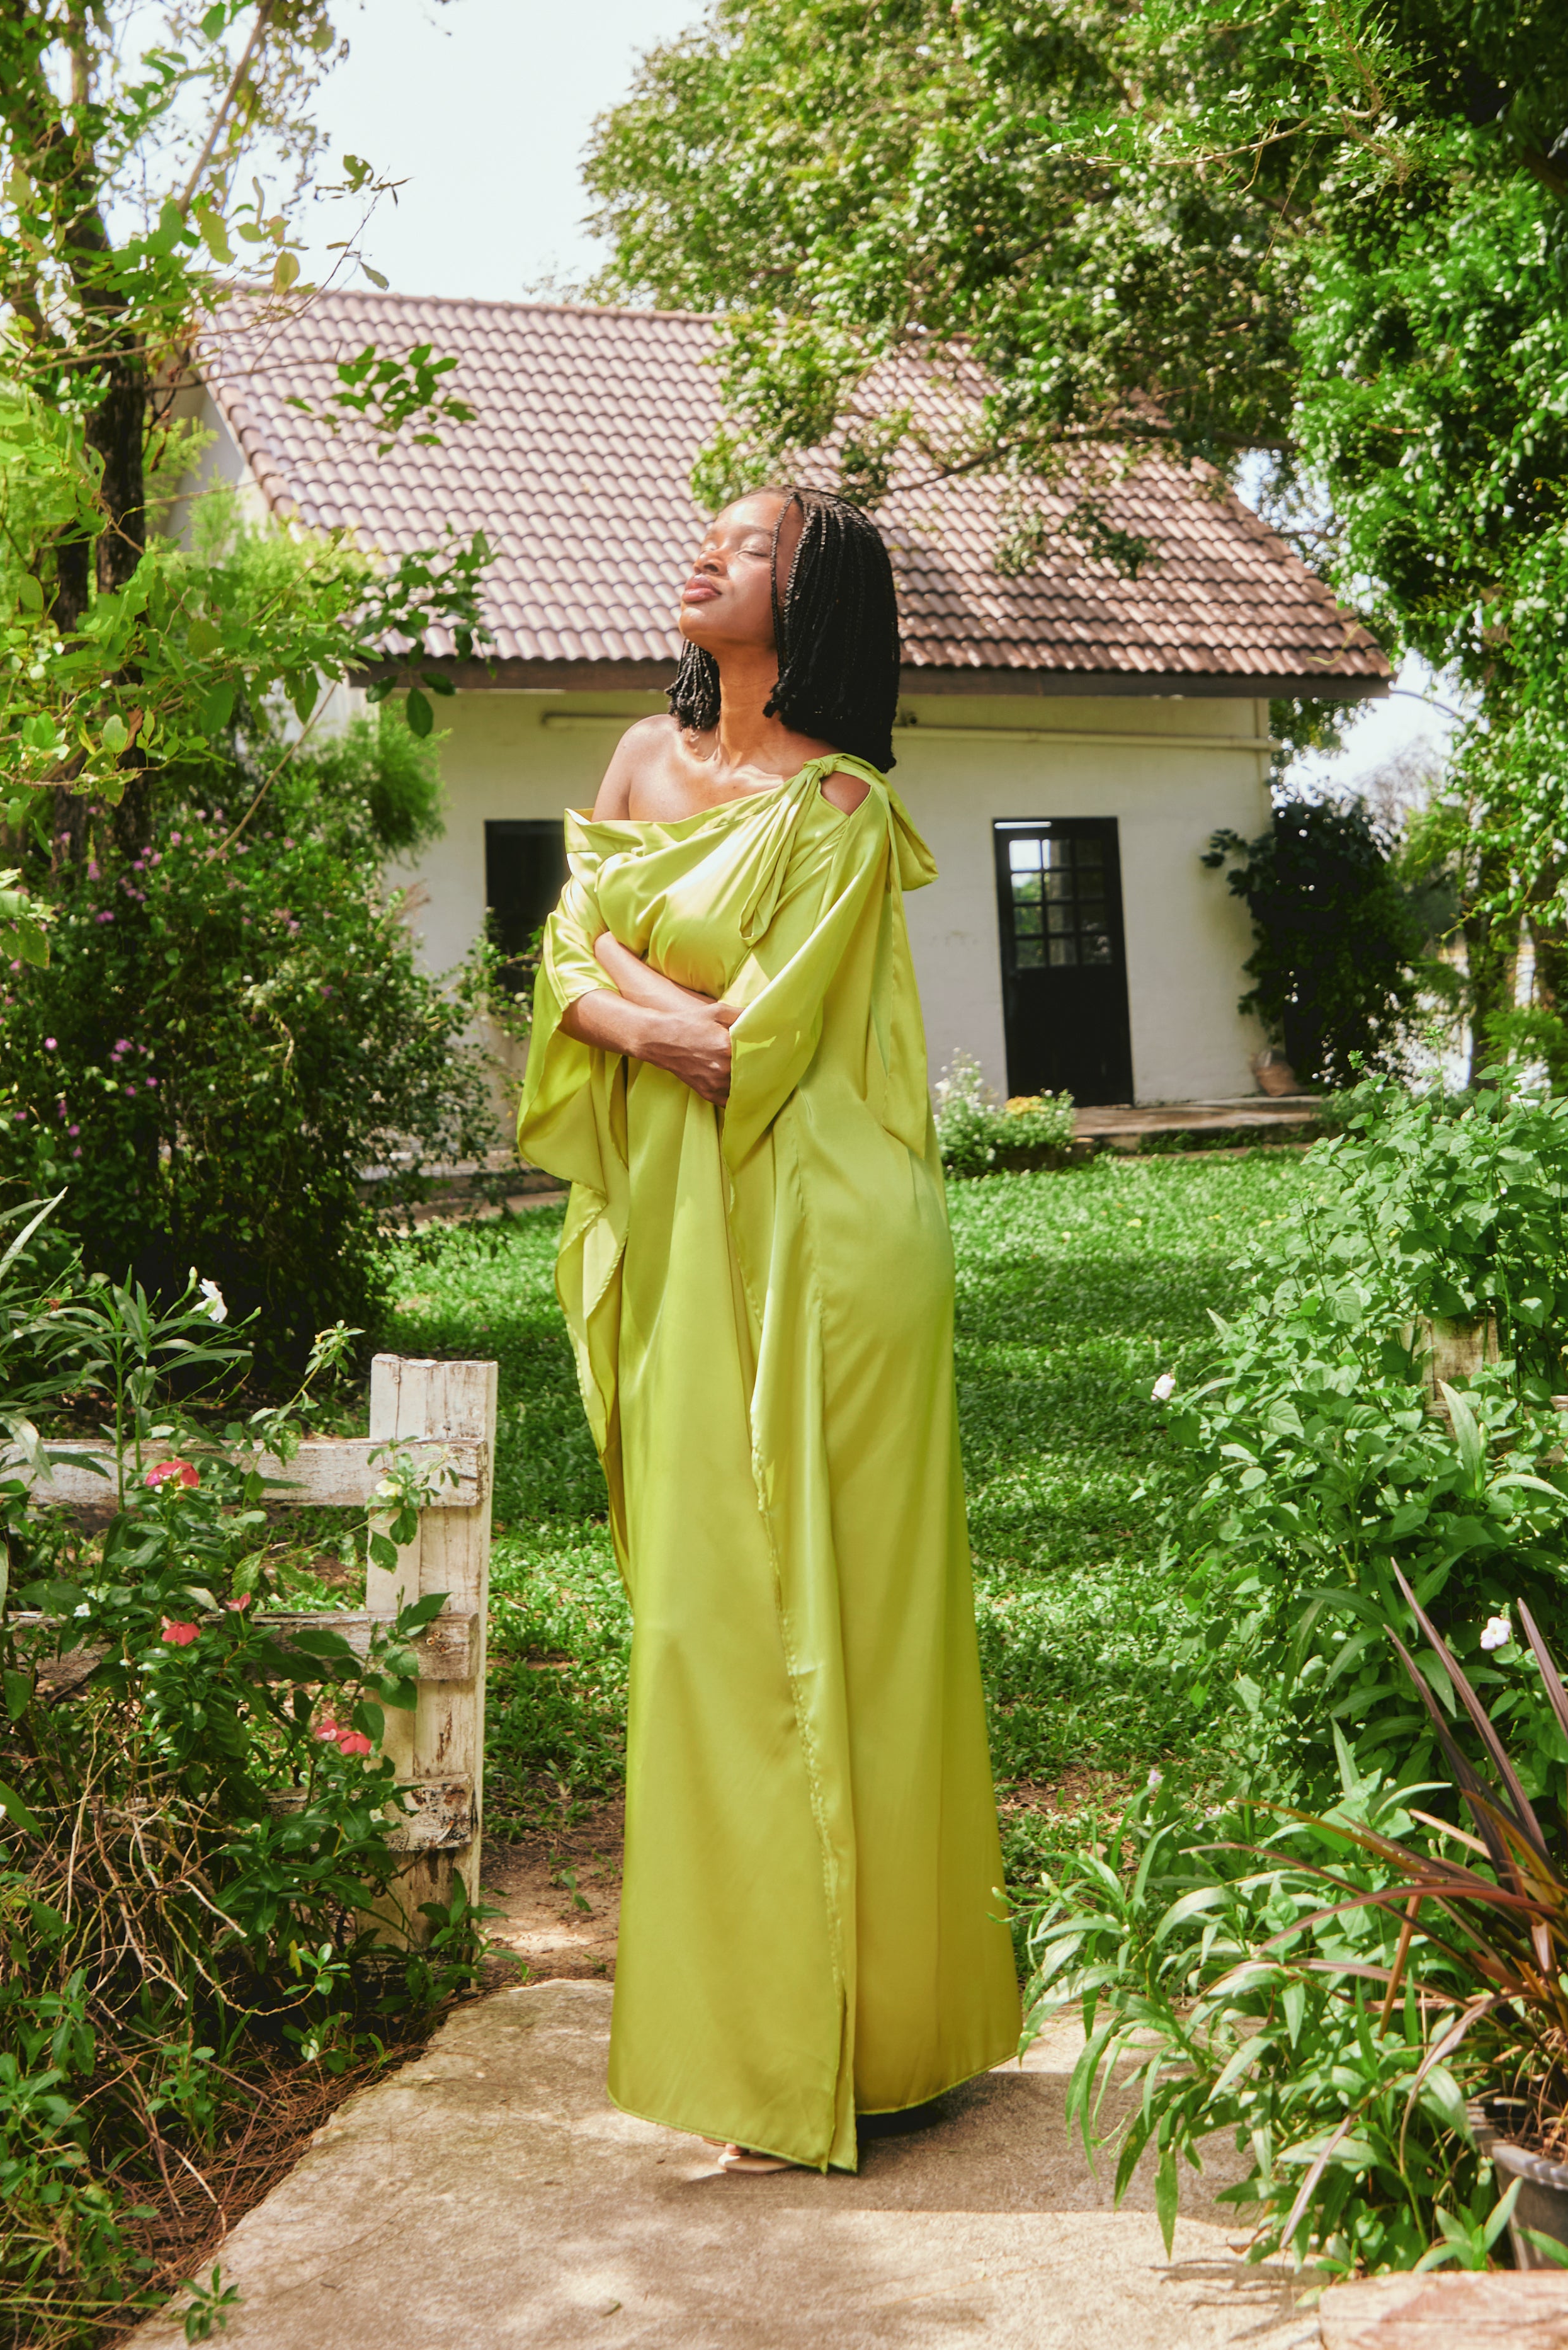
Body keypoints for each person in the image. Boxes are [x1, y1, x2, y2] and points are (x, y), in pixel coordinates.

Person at [516, 485, 1020, 2175]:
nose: (703, 554)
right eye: (710, 535)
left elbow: (755, 1049)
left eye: (746, 547)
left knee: (849, 1621)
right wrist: (636, 1005)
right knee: (702, 1619)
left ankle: (888, 2036)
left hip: (832, 1249)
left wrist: (615, 996)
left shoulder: (847, 810)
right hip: (685, 1232)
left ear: (807, 607)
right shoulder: (637, 769)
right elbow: (563, 967)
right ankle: (749, 2032)